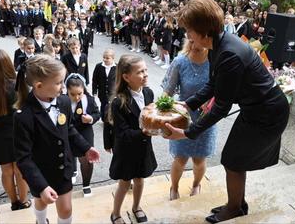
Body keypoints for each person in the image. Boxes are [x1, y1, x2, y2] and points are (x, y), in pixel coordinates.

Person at [164, 0, 290, 223]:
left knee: (232, 160)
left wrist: (187, 133)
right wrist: (188, 103)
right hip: (256, 109)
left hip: (267, 113)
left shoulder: (229, 53)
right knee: (234, 159)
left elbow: (221, 107)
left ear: (203, 30)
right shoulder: (217, 45)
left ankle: (234, 209)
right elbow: (214, 84)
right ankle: (237, 204)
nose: (188, 36)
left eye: (190, 31)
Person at [13, 54, 100, 224]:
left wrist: (86, 148)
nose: (63, 87)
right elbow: (23, 157)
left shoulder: (64, 102)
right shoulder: (24, 116)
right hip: (40, 172)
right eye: (59, 83)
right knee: (40, 201)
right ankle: (40, 220)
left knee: (66, 208)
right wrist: (42, 186)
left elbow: (70, 130)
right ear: (39, 86)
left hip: (63, 169)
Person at [161, 39, 217, 200]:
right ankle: (174, 187)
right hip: (183, 117)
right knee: (180, 158)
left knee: (199, 159)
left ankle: (196, 185)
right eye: (191, 38)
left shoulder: (215, 61)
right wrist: (161, 111)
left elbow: (222, 88)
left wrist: (212, 100)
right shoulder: (180, 61)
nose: (194, 42)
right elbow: (168, 90)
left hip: (206, 118)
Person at [109, 54, 157, 224]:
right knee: (124, 183)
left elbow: (152, 117)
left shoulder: (149, 93)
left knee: (139, 179)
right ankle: (115, 213)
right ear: (126, 77)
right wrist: (144, 132)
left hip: (143, 148)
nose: (145, 74)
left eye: (145, 70)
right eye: (140, 72)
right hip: (127, 151)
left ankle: (136, 207)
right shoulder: (119, 102)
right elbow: (122, 134)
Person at [0, 49, 30, 211]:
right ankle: (24, 200)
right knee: (20, 169)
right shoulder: (16, 85)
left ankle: (13, 202)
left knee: (6, 171)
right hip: (17, 132)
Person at [65, 73, 100, 197]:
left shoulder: (89, 99)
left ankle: (86, 184)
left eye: (79, 93)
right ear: (66, 91)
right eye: (72, 94)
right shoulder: (62, 101)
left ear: (84, 89)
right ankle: (73, 171)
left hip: (85, 131)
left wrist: (90, 118)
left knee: (86, 159)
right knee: (69, 155)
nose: (77, 97)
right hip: (69, 132)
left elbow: (97, 113)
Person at [92, 49, 116, 121]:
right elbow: (95, 79)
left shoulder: (117, 67)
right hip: (102, 91)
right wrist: (94, 91)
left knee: (112, 106)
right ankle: (104, 119)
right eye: (104, 57)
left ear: (113, 58)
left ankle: (111, 119)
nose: (105, 59)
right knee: (103, 105)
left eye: (107, 58)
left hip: (113, 92)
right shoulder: (99, 66)